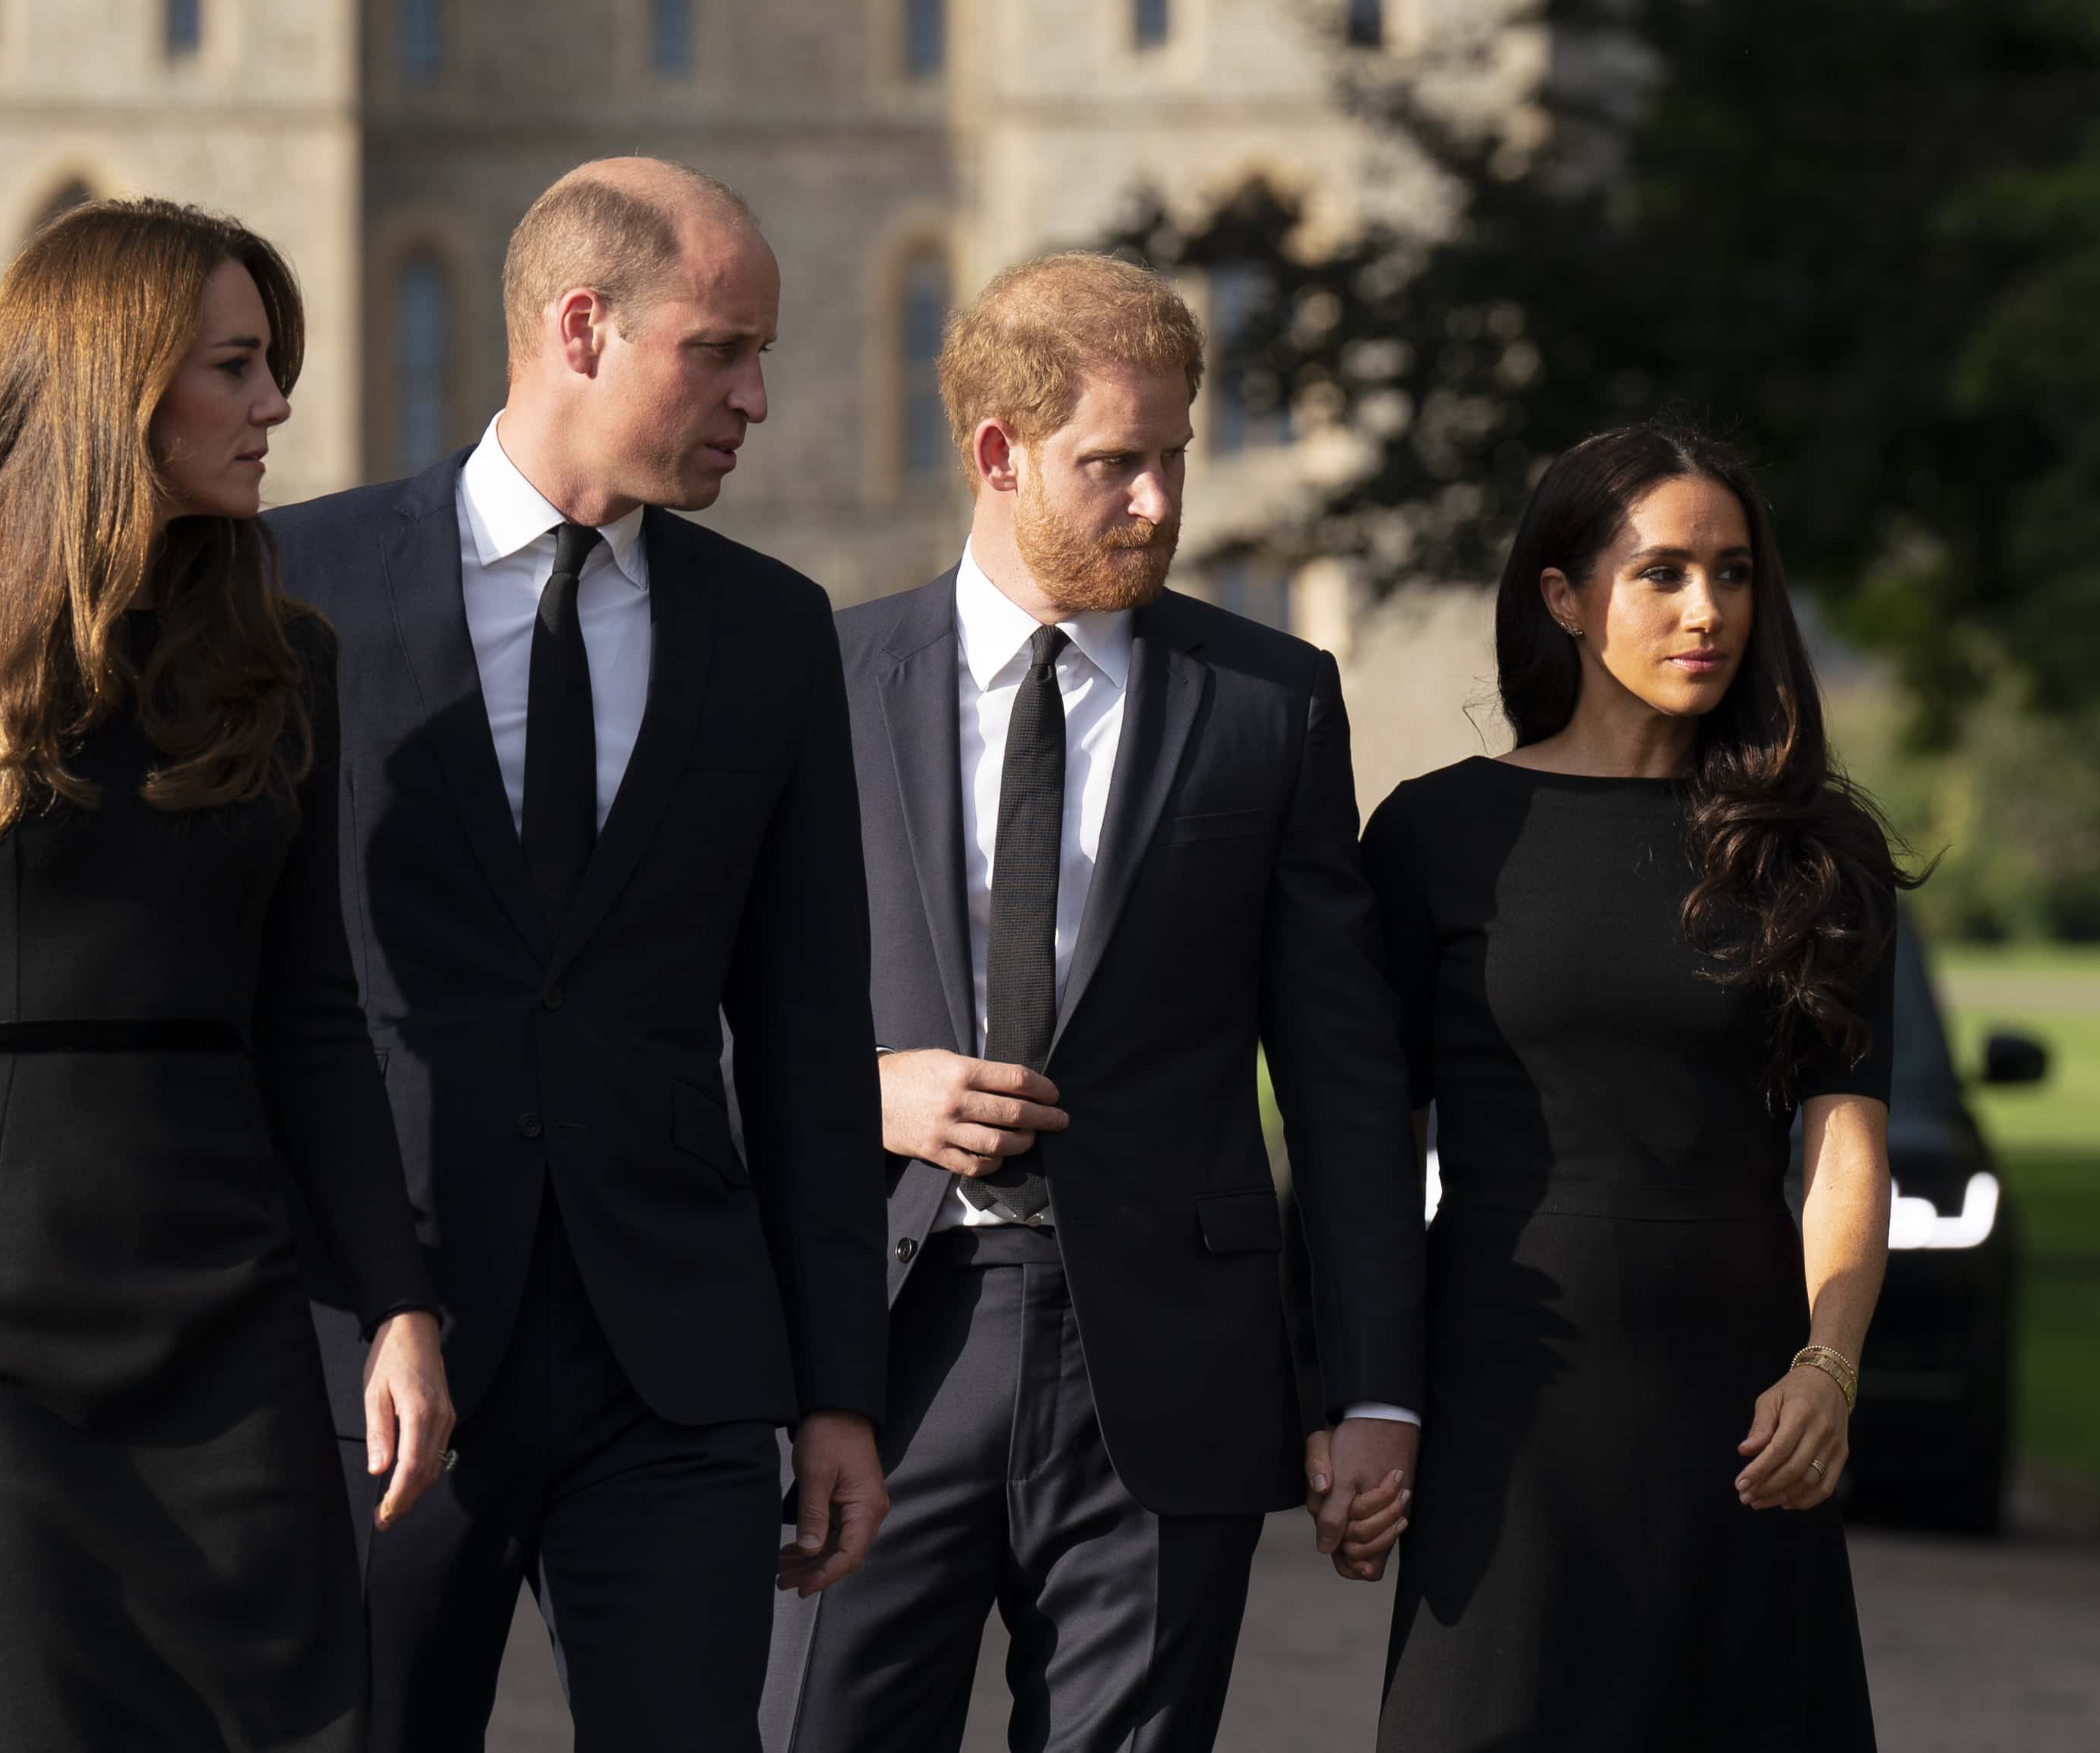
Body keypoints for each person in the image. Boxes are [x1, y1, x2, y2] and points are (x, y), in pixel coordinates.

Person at [0, 159, 891, 1751]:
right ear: (581, 327)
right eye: (721, 350)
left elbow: (809, 1040)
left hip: (678, 1365)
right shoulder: (285, 585)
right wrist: (0, 1047)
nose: (758, 397)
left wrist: (839, 1388)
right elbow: (134, 904)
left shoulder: (773, 630)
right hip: (376, 1345)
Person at [0, 199, 453, 1751]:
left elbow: (313, 1012)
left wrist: (397, 1305)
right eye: (239, 367)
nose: (275, 407)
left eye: (274, 367)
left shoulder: (285, 655)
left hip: (236, 1303)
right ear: (115, 383)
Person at [760, 252, 1427, 1753]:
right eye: (1112, 464)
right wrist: (860, 1088)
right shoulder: (815, 677)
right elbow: (685, 1002)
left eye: (1172, 457)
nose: (1160, 501)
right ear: (998, 453)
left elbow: (1341, 1076)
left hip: (1164, 1362)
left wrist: (1374, 1383)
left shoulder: (1272, 703)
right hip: (876, 1347)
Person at [1358, 423, 1907, 1751]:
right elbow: (1369, 1145)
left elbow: (1846, 1144)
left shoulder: (1817, 847)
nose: (1706, 610)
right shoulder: (1437, 834)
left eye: (1731, 572)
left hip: (1742, 1398)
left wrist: (1829, 1367)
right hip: (1507, 1387)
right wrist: (1366, 1396)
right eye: (1661, 572)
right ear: (1563, 595)